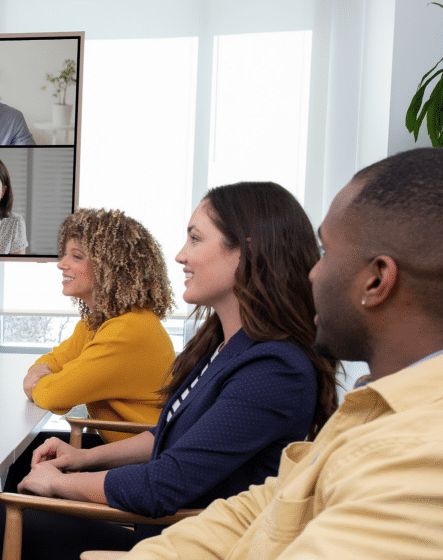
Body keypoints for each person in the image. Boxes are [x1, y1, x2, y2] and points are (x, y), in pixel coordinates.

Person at [0, 181, 339, 560]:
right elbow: (172, 434)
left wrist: (62, 484)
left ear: (247, 251)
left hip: (176, 542)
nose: (180, 256)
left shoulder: (274, 370)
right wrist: (82, 459)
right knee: (15, 491)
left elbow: (164, 484)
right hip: (163, 522)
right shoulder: (224, 345)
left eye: (195, 239)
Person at [121, 148, 443, 560]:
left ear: (376, 279)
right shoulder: (370, 407)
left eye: (325, 252)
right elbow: (259, 511)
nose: (311, 272)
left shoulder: (416, 457)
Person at [6, 209, 175, 492]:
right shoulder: (99, 321)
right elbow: (53, 360)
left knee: (8, 486)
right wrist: (41, 371)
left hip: (141, 470)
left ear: (110, 267)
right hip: (125, 453)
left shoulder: (128, 330)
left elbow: (55, 395)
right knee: (27, 457)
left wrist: (42, 382)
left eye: (76, 256)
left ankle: (16, 521)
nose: (61, 264)